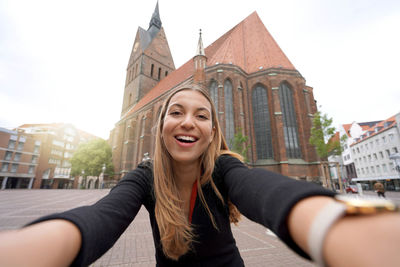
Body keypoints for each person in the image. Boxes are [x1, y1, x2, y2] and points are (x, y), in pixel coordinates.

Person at [1, 84, 400, 267]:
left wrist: (338, 224)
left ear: (212, 131)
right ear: (160, 125)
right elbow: (103, 217)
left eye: (201, 115)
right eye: (176, 111)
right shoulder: (145, 176)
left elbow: (264, 191)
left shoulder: (224, 168)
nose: (188, 122)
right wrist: (29, 248)